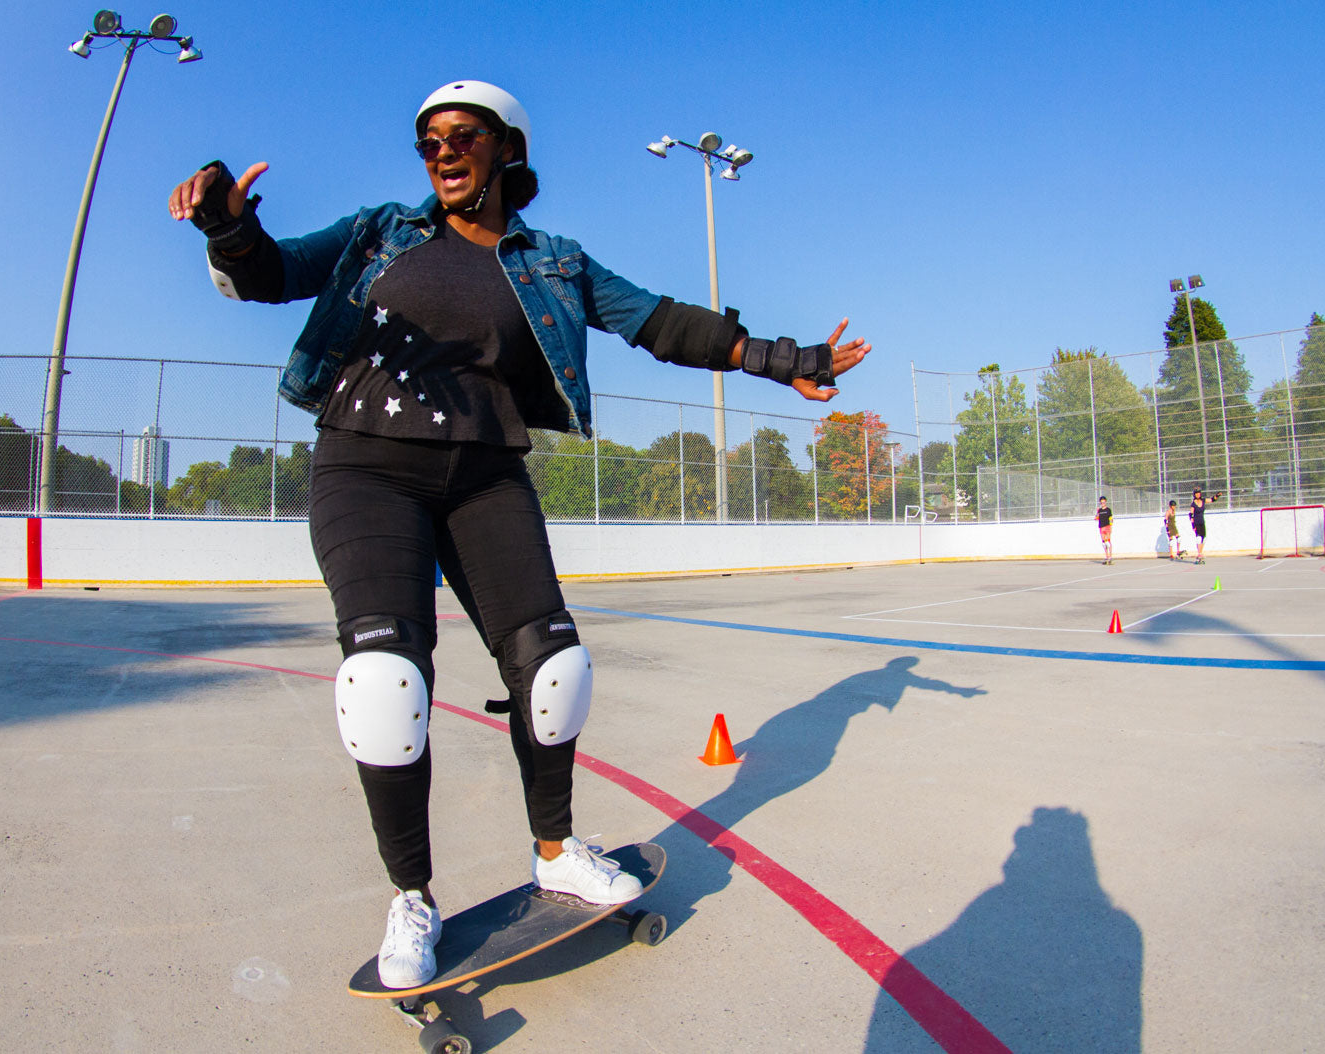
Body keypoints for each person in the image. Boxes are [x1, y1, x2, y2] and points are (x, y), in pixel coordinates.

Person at [167, 80, 869, 989]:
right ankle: (412, 897)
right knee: (385, 678)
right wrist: (228, 228)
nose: (443, 152)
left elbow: (659, 322)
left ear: (508, 151)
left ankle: (556, 850)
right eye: (428, 142)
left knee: (553, 666)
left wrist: (788, 361)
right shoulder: (382, 231)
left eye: (463, 137)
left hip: (485, 474)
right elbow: (271, 274)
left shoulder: (555, 262)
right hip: (366, 467)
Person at [1188, 488, 1220, 564]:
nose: (1198, 494)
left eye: (1199, 493)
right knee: (1198, 538)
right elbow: (1191, 515)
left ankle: (1200, 553)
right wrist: (1193, 525)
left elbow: (1212, 500)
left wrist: (1217, 495)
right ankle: (1199, 554)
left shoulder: (1203, 500)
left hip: (1202, 522)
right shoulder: (1193, 504)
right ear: (1194, 495)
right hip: (1196, 522)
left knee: (1204, 538)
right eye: (1196, 493)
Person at [1095, 496, 1113, 564]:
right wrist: (1097, 512)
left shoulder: (1108, 510)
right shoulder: (1099, 510)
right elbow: (1096, 518)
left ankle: (1110, 557)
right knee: (1104, 543)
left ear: (1105, 502)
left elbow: (1111, 518)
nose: (1103, 503)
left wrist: (1111, 526)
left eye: (1104, 502)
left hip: (1107, 526)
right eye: (1101, 502)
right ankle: (1107, 556)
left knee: (1108, 542)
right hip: (1101, 527)